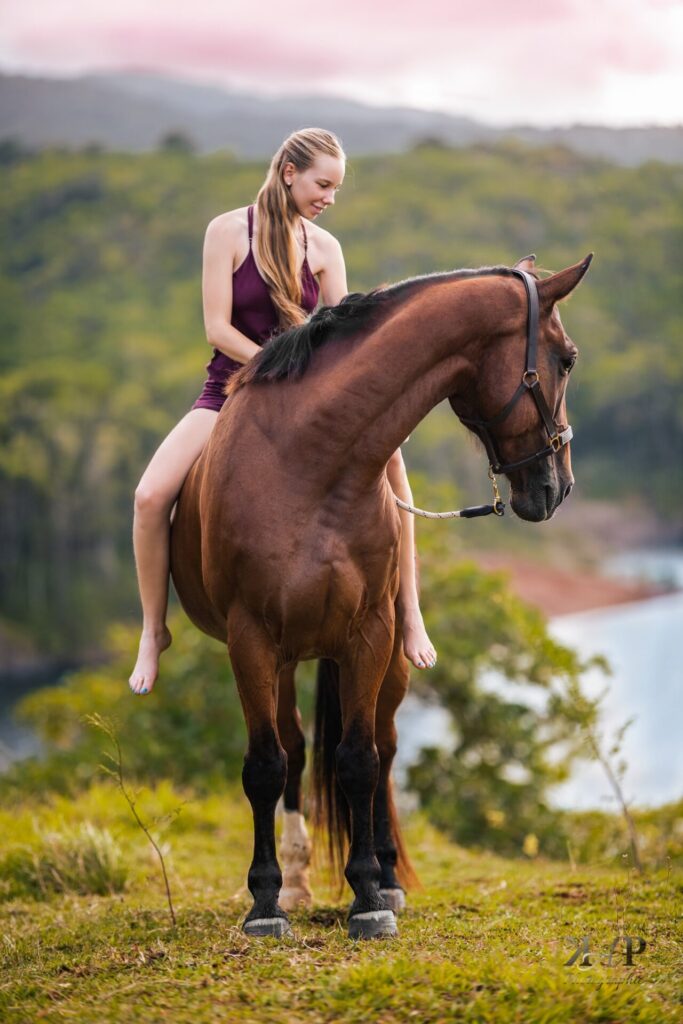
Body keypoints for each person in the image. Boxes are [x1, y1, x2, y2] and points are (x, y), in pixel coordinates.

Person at [129, 128, 436, 695]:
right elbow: (218, 329)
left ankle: (410, 611)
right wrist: (281, 368)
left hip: (310, 398)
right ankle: (153, 630)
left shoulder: (325, 249)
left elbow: (342, 340)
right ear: (289, 172)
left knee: (394, 471)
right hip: (231, 390)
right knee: (150, 497)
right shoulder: (226, 232)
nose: (330, 198)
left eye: (337, 188)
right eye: (323, 184)